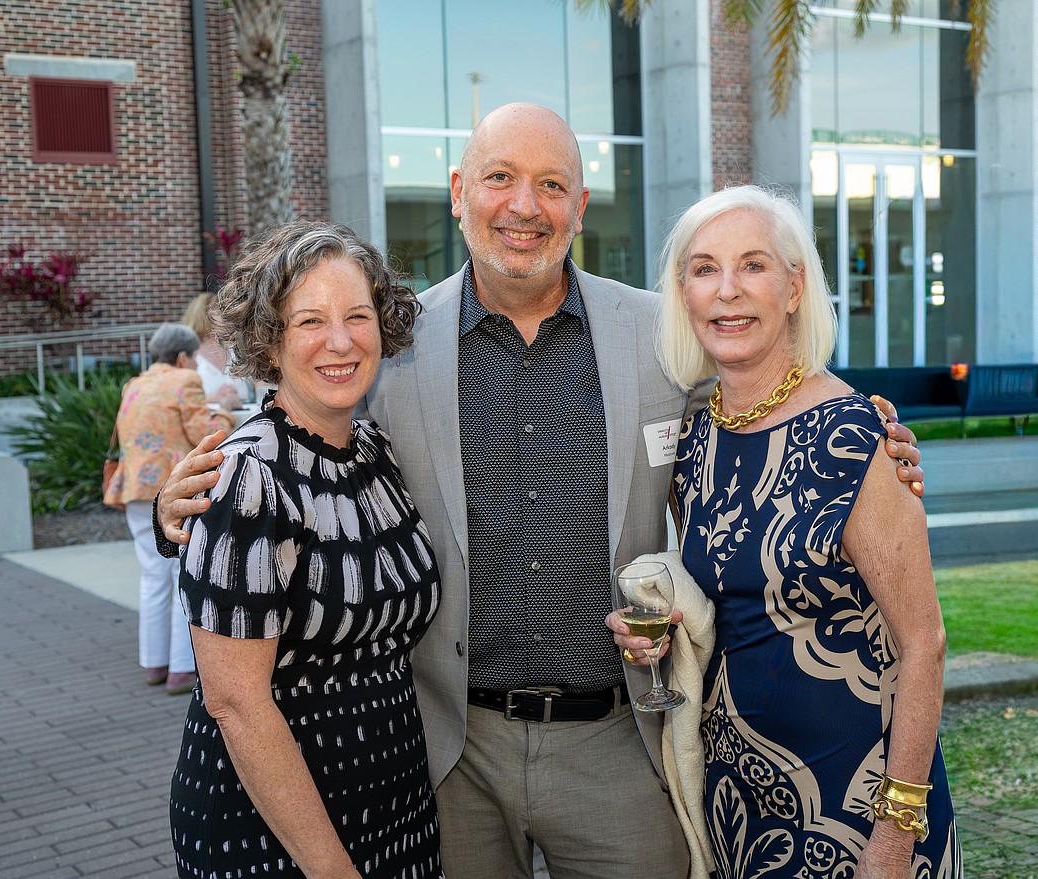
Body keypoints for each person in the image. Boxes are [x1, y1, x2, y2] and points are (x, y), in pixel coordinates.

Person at [154, 104, 924, 879]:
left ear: (579, 208)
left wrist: (862, 424)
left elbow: (756, 402)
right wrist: (176, 507)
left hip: (618, 742)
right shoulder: (389, 343)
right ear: (459, 192)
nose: (525, 206)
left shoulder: (661, 336)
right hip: (452, 753)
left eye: (551, 184)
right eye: (500, 179)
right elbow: (303, 440)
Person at [610, 185, 959, 878]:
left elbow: (926, 644)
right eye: (705, 268)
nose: (727, 291)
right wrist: (666, 627)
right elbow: (735, 602)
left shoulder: (856, 435)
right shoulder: (695, 437)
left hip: (858, 809)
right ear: (683, 293)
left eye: (753, 265)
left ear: (795, 287)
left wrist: (894, 837)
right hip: (741, 804)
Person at [167, 221, 443, 879]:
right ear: (270, 336)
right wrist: (331, 868)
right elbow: (235, 702)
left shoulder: (377, 453)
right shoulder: (246, 476)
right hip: (275, 836)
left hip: (395, 816)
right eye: (310, 321)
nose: (341, 341)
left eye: (357, 315)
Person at [103, 322, 236, 694]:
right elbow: (204, 434)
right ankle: (181, 669)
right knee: (184, 575)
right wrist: (224, 409)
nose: (195, 365)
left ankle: (155, 663)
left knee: (152, 578)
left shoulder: (135, 383)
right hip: (172, 492)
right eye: (193, 358)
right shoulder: (184, 382)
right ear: (182, 357)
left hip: (133, 488)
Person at [181, 291, 248, 411]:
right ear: (205, 316)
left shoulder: (236, 347)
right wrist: (215, 397)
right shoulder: (189, 354)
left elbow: (258, 385)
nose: (225, 316)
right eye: (220, 311)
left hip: (244, 415)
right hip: (206, 421)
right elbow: (180, 398)